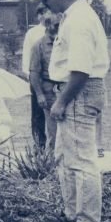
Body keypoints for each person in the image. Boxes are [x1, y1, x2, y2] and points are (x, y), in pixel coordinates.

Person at [36, 0, 109, 222]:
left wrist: (61, 101)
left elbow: (80, 71)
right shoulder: (74, 17)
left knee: (82, 159)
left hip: (78, 91)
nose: (45, 4)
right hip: (72, 90)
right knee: (66, 158)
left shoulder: (79, 20)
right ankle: (72, 214)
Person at [29, 14, 62, 152]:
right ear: (48, 25)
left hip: (66, 89)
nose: (59, 28)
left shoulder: (65, 42)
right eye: (56, 25)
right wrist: (39, 95)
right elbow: (34, 72)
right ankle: (54, 161)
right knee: (53, 131)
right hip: (49, 91)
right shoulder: (38, 45)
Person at [21, 6, 52, 148]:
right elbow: (27, 55)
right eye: (44, 13)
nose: (47, 15)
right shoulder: (32, 33)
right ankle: (39, 144)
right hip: (36, 78)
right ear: (39, 16)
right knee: (37, 113)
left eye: (49, 11)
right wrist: (30, 77)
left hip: (53, 78)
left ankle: (55, 145)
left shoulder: (57, 30)